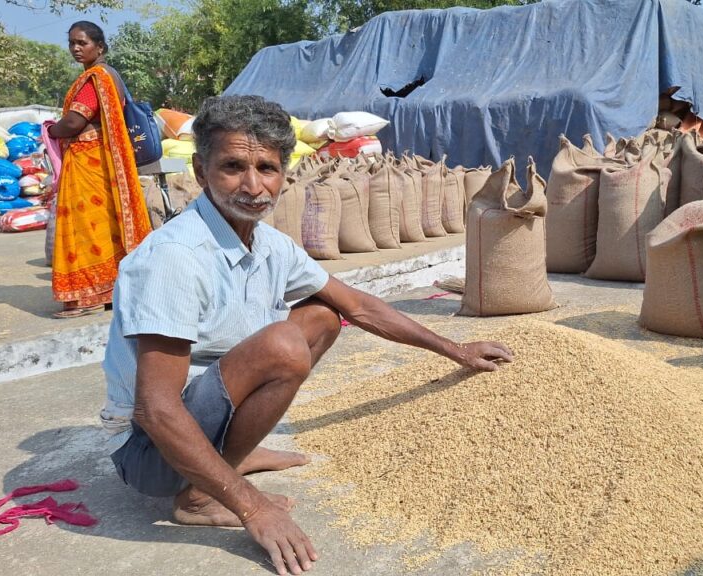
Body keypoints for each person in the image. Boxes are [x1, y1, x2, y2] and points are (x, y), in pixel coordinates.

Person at [100, 95, 514, 575]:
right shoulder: (175, 257)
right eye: (232, 167)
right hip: (147, 452)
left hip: (202, 412)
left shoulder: (269, 244)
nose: (253, 186)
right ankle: (196, 498)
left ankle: (230, 455)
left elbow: (359, 306)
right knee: (281, 345)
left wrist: (455, 350)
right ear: (200, 171)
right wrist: (253, 507)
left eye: (267, 168)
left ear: (284, 173)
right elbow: (155, 410)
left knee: (321, 316)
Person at [47, 21, 152, 318]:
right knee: (104, 225)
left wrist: (50, 131)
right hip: (97, 163)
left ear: (100, 47)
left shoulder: (96, 78)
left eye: (82, 43)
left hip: (88, 162)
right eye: (72, 43)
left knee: (85, 227)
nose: (76, 48)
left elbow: (74, 122)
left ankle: (89, 295)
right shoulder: (106, 76)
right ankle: (108, 291)